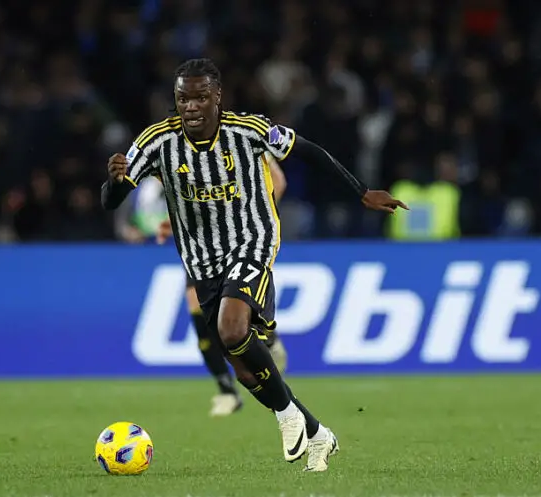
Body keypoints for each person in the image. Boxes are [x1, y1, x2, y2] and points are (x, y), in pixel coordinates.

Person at [101, 58, 408, 472]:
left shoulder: (249, 131)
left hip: (251, 241)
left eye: (199, 98)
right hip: (201, 260)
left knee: (232, 330)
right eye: (182, 99)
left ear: (217, 98)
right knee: (245, 368)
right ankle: (317, 433)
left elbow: (309, 152)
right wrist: (115, 183)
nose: (190, 106)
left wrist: (361, 191)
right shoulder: (157, 141)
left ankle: (287, 418)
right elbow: (113, 199)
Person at [114, 157, 289, 418]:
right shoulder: (183, 152)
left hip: (242, 244)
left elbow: (278, 182)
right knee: (201, 314)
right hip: (202, 249)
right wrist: (174, 224)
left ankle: (268, 341)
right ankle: (226, 390)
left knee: (233, 315)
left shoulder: (244, 138)